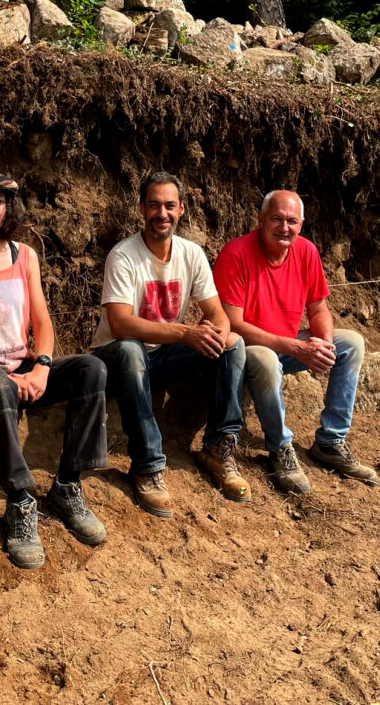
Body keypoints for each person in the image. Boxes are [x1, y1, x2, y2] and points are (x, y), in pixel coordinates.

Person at [0, 172, 108, 570]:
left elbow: (42, 321)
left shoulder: (25, 255)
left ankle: (68, 484)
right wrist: (4, 377)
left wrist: (41, 367)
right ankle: (20, 501)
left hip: (22, 367)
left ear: (10, 207)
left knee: (91, 368)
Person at [92, 172, 248, 518]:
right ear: (141, 208)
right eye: (154, 205)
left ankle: (218, 448)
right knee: (131, 348)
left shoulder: (191, 253)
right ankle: (147, 466)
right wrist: (184, 333)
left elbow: (217, 314)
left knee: (233, 343)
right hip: (116, 359)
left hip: (161, 357)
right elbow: (120, 324)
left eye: (169, 206)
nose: (162, 214)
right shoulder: (123, 255)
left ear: (181, 209)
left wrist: (216, 335)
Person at [213, 190, 376, 494]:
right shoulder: (236, 253)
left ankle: (331, 441)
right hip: (247, 348)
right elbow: (232, 324)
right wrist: (297, 348)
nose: (284, 227)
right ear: (261, 219)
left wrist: (323, 346)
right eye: (276, 219)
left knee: (351, 342)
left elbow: (318, 308)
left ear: (301, 224)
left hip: (288, 342)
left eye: (292, 221)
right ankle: (280, 447)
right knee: (265, 358)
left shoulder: (306, 251)